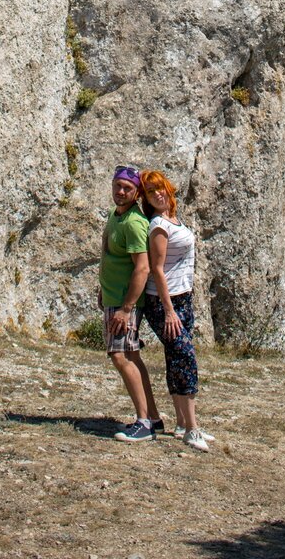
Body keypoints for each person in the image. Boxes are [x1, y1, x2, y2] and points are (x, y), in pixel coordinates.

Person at [139, 168, 214, 452]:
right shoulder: (159, 225)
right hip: (163, 301)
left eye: (159, 188)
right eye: (150, 191)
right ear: (146, 198)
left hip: (182, 298)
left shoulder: (174, 219)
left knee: (177, 356)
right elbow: (156, 269)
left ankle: (183, 422)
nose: (157, 194)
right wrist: (169, 311)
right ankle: (192, 428)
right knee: (185, 356)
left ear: (168, 188)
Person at [98, 165, 162, 442]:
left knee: (121, 356)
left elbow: (142, 268)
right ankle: (154, 418)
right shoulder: (116, 215)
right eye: (117, 186)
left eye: (127, 188)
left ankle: (143, 422)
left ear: (136, 193)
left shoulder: (135, 223)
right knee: (131, 356)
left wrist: (126, 309)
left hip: (125, 303)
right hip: (114, 297)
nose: (121, 191)